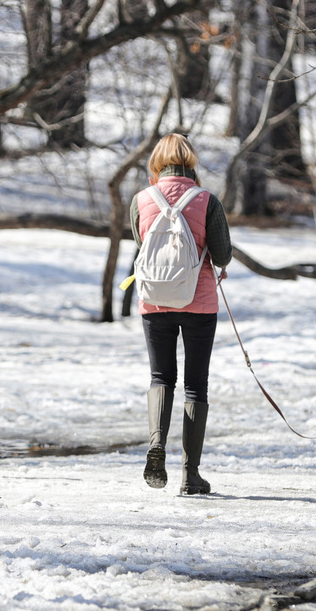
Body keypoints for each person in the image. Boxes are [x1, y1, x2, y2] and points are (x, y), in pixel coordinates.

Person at [129, 133, 233, 495]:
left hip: (154, 301)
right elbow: (221, 255)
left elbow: (142, 246)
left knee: (161, 377)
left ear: (157, 163)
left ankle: (157, 442)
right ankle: (191, 475)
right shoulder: (206, 200)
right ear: (191, 162)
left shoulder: (142, 199)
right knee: (195, 385)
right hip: (198, 302)